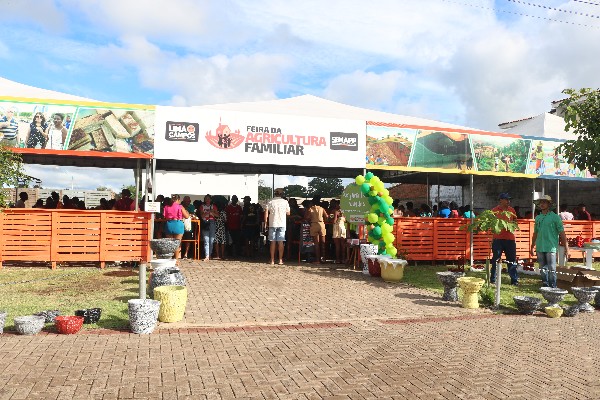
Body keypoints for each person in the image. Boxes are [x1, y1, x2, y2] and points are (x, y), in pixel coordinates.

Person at [530, 195, 568, 288]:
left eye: (544, 202)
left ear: (549, 204)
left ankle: (553, 286)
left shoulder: (555, 217)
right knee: (542, 268)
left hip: (551, 246)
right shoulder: (538, 217)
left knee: (551, 268)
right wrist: (532, 246)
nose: (542, 204)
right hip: (540, 246)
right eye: (541, 202)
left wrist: (567, 248)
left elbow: (562, 233)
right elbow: (535, 233)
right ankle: (545, 285)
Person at [490, 193, 519, 286]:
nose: (508, 201)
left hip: (510, 239)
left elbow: (515, 222)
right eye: (506, 199)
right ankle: (493, 279)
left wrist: (511, 226)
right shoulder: (494, 210)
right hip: (498, 239)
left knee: (512, 260)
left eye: (509, 199)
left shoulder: (512, 210)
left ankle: (514, 280)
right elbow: (491, 224)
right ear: (501, 200)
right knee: (496, 259)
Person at [264, 188, 290, 265]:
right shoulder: (285, 202)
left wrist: (265, 223)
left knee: (273, 242)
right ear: (281, 194)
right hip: (282, 223)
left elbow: (266, 213)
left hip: (273, 223)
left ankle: (272, 260)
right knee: (281, 241)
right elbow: (288, 213)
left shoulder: (270, 201)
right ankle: (280, 260)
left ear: (275, 193)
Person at [162, 194, 190, 260]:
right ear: (178, 200)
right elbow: (186, 216)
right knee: (177, 243)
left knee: (169, 244)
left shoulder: (166, 207)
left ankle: (169, 258)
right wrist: (187, 212)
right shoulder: (180, 206)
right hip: (178, 224)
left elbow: (164, 216)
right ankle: (176, 260)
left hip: (169, 224)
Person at [305, 196, 329, 263]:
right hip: (321, 224)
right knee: (323, 243)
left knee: (316, 244)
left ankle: (318, 260)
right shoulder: (322, 208)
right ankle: (324, 259)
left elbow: (307, 218)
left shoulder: (310, 209)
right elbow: (327, 217)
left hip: (314, 224)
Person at [200, 194, 219, 261]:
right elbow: (202, 215)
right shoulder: (202, 206)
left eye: (208, 199)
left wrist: (212, 213)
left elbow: (217, 215)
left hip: (212, 222)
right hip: (205, 222)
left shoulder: (214, 206)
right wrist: (208, 212)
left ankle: (210, 254)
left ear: (211, 200)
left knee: (211, 240)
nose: (207, 200)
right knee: (206, 240)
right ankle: (207, 255)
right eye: (206, 199)